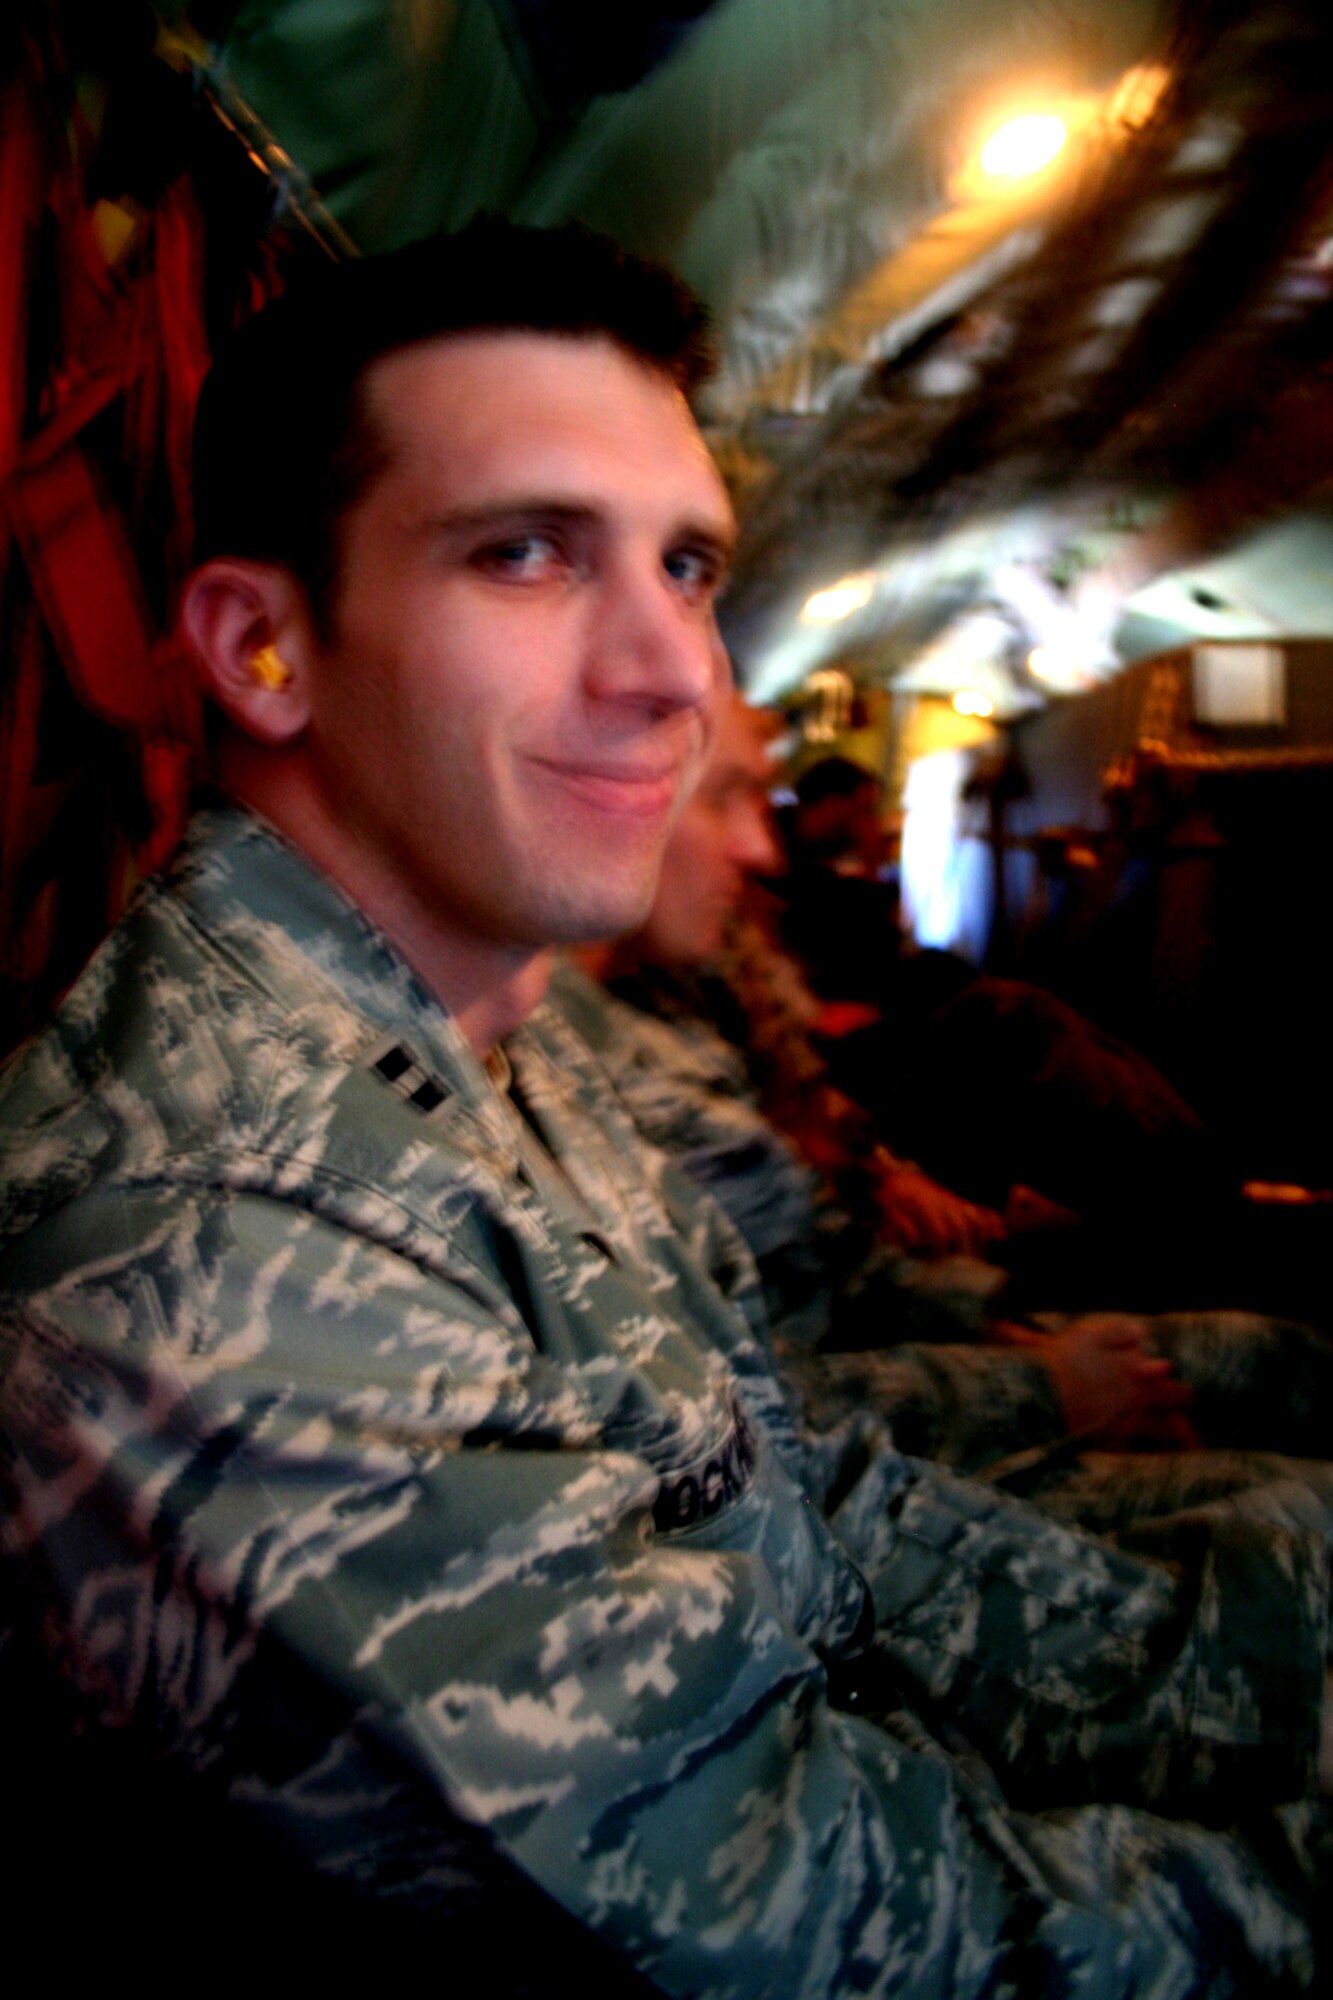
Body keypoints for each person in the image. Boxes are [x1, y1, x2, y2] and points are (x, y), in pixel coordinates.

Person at [2, 219, 1332, 1997]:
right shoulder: (211, 1233)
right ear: (263, 651)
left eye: (689, 567)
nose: (675, 676)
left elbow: (790, 1516)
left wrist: (1237, 1676)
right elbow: (807, 1936)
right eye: (529, 553)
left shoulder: (497, 1039)